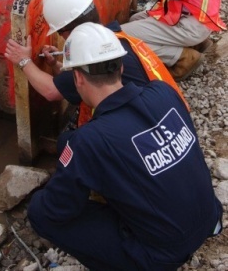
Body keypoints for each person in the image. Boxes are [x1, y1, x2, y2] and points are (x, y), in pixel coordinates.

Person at [28, 22, 223, 271]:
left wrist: (42, 196)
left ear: (77, 77)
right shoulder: (163, 92)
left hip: (161, 255)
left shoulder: (90, 140)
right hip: (209, 217)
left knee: (40, 212)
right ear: (121, 66)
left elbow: (56, 209)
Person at [4, 0, 188, 131]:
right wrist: (56, 64)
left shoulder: (96, 56)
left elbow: (52, 91)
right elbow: (80, 81)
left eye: (60, 33)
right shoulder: (115, 39)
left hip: (151, 129)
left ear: (67, 30)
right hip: (173, 117)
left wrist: (23, 61)